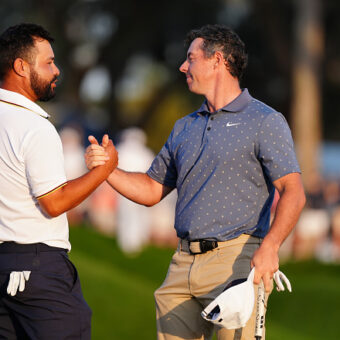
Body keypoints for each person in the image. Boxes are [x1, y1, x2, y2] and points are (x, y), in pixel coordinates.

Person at [85, 24, 305, 340]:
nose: (183, 66)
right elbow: (150, 190)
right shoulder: (183, 128)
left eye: (191, 58)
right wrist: (107, 171)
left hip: (237, 263)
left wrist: (271, 246)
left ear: (218, 61)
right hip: (181, 265)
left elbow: (293, 192)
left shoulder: (264, 121)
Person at [0, 23, 117, 339]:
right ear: (21, 67)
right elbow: (54, 202)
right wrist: (102, 171)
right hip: (36, 267)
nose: (57, 70)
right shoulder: (33, 126)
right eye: (49, 62)